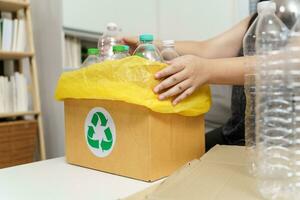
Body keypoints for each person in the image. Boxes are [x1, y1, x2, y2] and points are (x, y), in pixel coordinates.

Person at [122, 0, 300, 151]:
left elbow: (284, 63)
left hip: (282, 150)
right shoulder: (260, 16)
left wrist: (207, 70)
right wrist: (154, 46)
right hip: (236, 134)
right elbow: (207, 49)